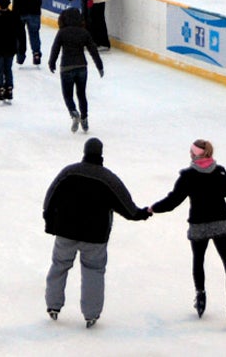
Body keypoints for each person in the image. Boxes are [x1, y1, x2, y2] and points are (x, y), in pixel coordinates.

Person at [43, 136, 150, 328]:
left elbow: (51, 196)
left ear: (85, 152)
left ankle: (53, 306)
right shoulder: (107, 178)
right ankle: (91, 314)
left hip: (66, 231)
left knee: (59, 265)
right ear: (100, 154)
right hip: (95, 236)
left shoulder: (69, 172)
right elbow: (126, 205)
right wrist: (141, 214)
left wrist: (49, 220)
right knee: (94, 271)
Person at [149, 139, 226, 329]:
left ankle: (200, 296)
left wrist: (152, 208)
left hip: (198, 224)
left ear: (195, 154)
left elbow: (173, 201)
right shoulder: (219, 171)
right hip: (220, 223)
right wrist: (220, 172)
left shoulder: (188, 175)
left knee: (198, 261)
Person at [47, 7, 104, 133]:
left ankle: (74, 112)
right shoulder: (84, 32)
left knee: (68, 95)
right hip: (81, 67)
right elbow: (93, 50)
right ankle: (84, 118)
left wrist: (52, 62)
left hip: (66, 67)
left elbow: (55, 48)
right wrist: (99, 66)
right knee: (81, 94)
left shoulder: (62, 32)